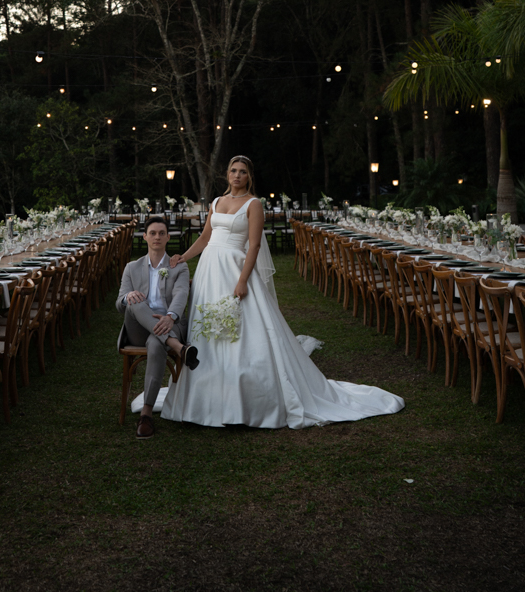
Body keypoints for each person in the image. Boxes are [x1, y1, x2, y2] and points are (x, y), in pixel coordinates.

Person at [162, 155, 404, 429]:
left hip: (234, 268)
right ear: (227, 174)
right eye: (233, 171)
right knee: (207, 325)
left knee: (241, 327)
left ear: (249, 176)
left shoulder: (254, 205)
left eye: (242, 172)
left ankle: (244, 395)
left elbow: (253, 246)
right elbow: (206, 237)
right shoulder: (217, 202)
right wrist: (185, 256)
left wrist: (243, 280)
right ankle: (206, 389)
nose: (237, 175)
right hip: (209, 271)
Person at [116, 215, 198, 439]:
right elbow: (119, 304)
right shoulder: (132, 268)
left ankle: (146, 414)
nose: (157, 237)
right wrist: (127, 298)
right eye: (152, 233)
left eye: (162, 233)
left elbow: (181, 294)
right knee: (134, 301)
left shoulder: (179, 267)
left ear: (168, 237)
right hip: (137, 329)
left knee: (155, 343)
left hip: (168, 325)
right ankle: (178, 346)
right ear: (144, 237)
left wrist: (171, 316)